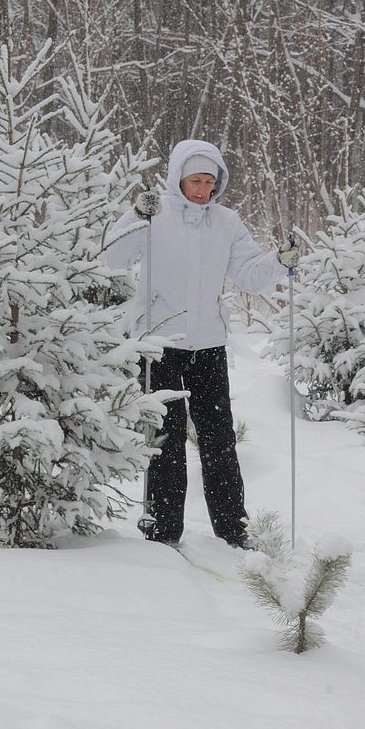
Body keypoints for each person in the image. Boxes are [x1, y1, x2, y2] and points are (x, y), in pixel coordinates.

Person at [104, 139, 298, 548]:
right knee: (165, 438)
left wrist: (278, 262)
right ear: (178, 178)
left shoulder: (226, 222)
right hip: (160, 342)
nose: (202, 189)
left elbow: (247, 274)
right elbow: (110, 258)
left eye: (210, 181)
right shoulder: (154, 214)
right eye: (195, 180)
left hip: (207, 344)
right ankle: (163, 528)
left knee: (219, 438)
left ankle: (233, 528)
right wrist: (135, 215)